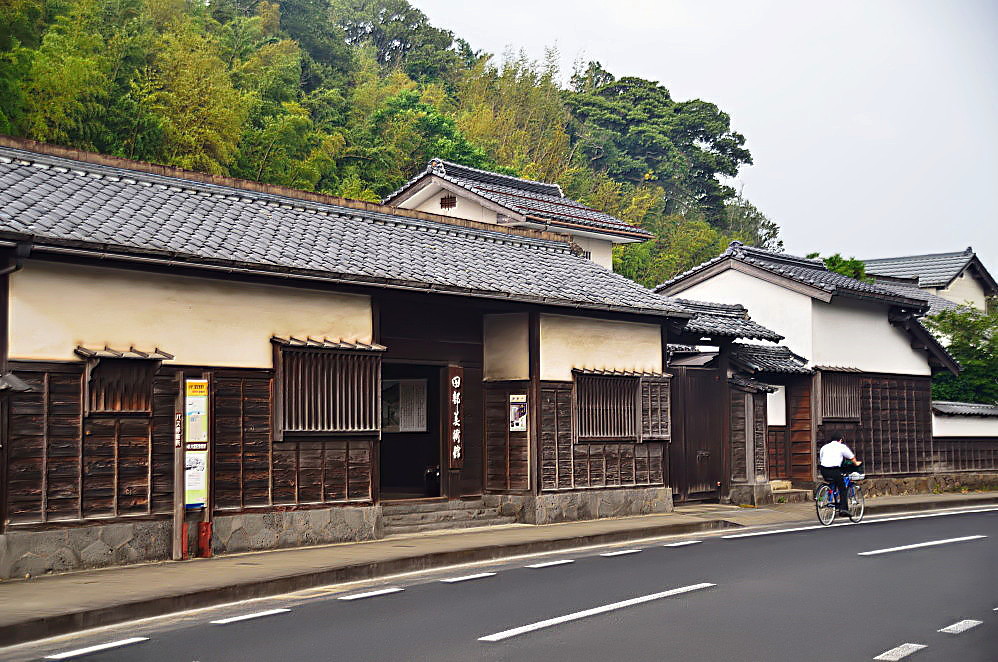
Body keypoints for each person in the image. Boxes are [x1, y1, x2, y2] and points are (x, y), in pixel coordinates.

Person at [818, 434, 862, 515]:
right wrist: (856, 463)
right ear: (840, 440)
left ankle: (827, 498)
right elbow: (851, 457)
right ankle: (843, 509)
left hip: (823, 470)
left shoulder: (824, 447)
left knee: (833, 482)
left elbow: (821, 459)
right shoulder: (842, 446)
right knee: (842, 488)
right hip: (834, 470)